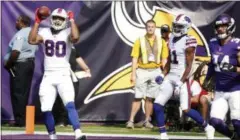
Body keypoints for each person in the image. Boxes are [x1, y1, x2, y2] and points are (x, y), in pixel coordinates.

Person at [153, 14, 215, 139]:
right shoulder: (171, 39)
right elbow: (170, 61)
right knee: (157, 105)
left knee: (185, 109)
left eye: (179, 26)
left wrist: (181, 82)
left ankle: (207, 126)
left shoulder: (189, 41)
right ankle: (163, 135)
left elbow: (189, 66)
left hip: (183, 77)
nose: (176, 28)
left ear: (186, 27)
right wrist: (162, 73)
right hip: (171, 76)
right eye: (175, 25)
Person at [28, 8, 86, 140]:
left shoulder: (67, 32)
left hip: (63, 74)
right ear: (51, 18)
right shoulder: (44, 31)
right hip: (48, 76)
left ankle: (78, 134)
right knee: (46, 108)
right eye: (56, 18)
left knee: (70, 104)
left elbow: (75, 37)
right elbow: (31, 40)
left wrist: (72, 20)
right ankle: (52, 136)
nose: (58, 20)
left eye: (61, 18)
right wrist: (37, 22)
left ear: (65, 20)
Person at [202, 14, 240, 140]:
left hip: (236, 90)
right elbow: (213, 64)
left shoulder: (237, 44)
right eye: (218, 26)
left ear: (230, 27)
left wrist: (234, 68)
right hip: (220, 90)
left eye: (223, 26)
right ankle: (232, 136)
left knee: (237, 122)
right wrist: (207, 78)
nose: (220, 29)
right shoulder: (212, 43)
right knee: (215, 121)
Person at [126, 20, 168, 129]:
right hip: (142, 70)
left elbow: (164, 59)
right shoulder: (139, 41)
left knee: (150, 98)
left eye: (152, 27)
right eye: (148, 26)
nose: (150, 28)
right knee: (138, 97)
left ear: (155, 28)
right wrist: (133, 74)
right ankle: (130, 120)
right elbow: (134, 58)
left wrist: (164, 74)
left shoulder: (161, 41)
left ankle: (147, 120)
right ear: (146, 28)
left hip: (156, 70)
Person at [3, 15, 38, 127]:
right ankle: (22, 119)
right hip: (29, 64)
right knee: (24, 93)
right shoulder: (33, 33)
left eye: (17, 21)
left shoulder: (20, 34)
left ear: (22, 23)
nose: (16, 23)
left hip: (20, 65)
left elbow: (16, 52)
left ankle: (20, 121)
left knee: (17, 92)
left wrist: (8, 64)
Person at [53, 46, 91, 127]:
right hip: (61, 75)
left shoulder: (72, 47)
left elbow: (77, 57)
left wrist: (87, 69)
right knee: (61, 99)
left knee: (71, 99)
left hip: (71, 76)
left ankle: (68, 120)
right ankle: (61, 121)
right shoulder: (58, 46)